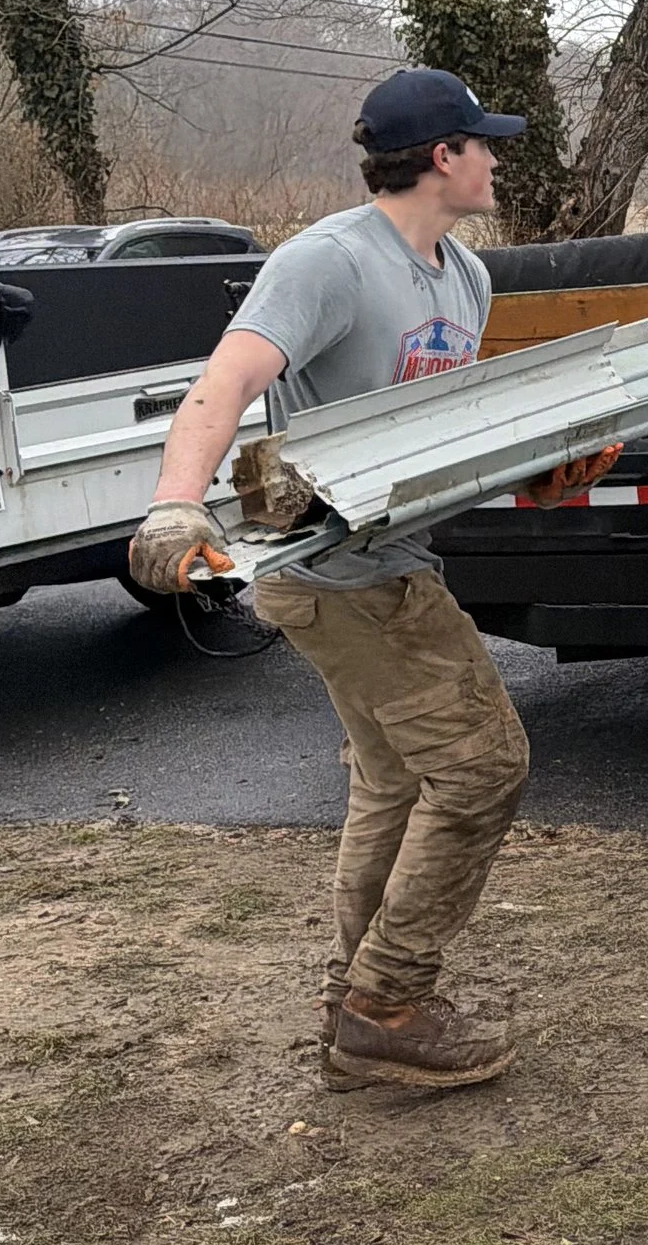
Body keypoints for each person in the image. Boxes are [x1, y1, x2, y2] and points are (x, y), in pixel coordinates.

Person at [128, 70, 608, 1095]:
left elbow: (438, 429)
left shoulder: (463, 280)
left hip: (396, 557)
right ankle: (389, 1005)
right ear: (441, 157)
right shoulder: (329, 263)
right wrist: (176, 504)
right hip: (336, 571)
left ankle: (358, 1004)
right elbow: (225, 384)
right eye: (483, 144)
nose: (495, 159)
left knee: (394, 782)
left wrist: (540, 474)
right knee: (483, 769)